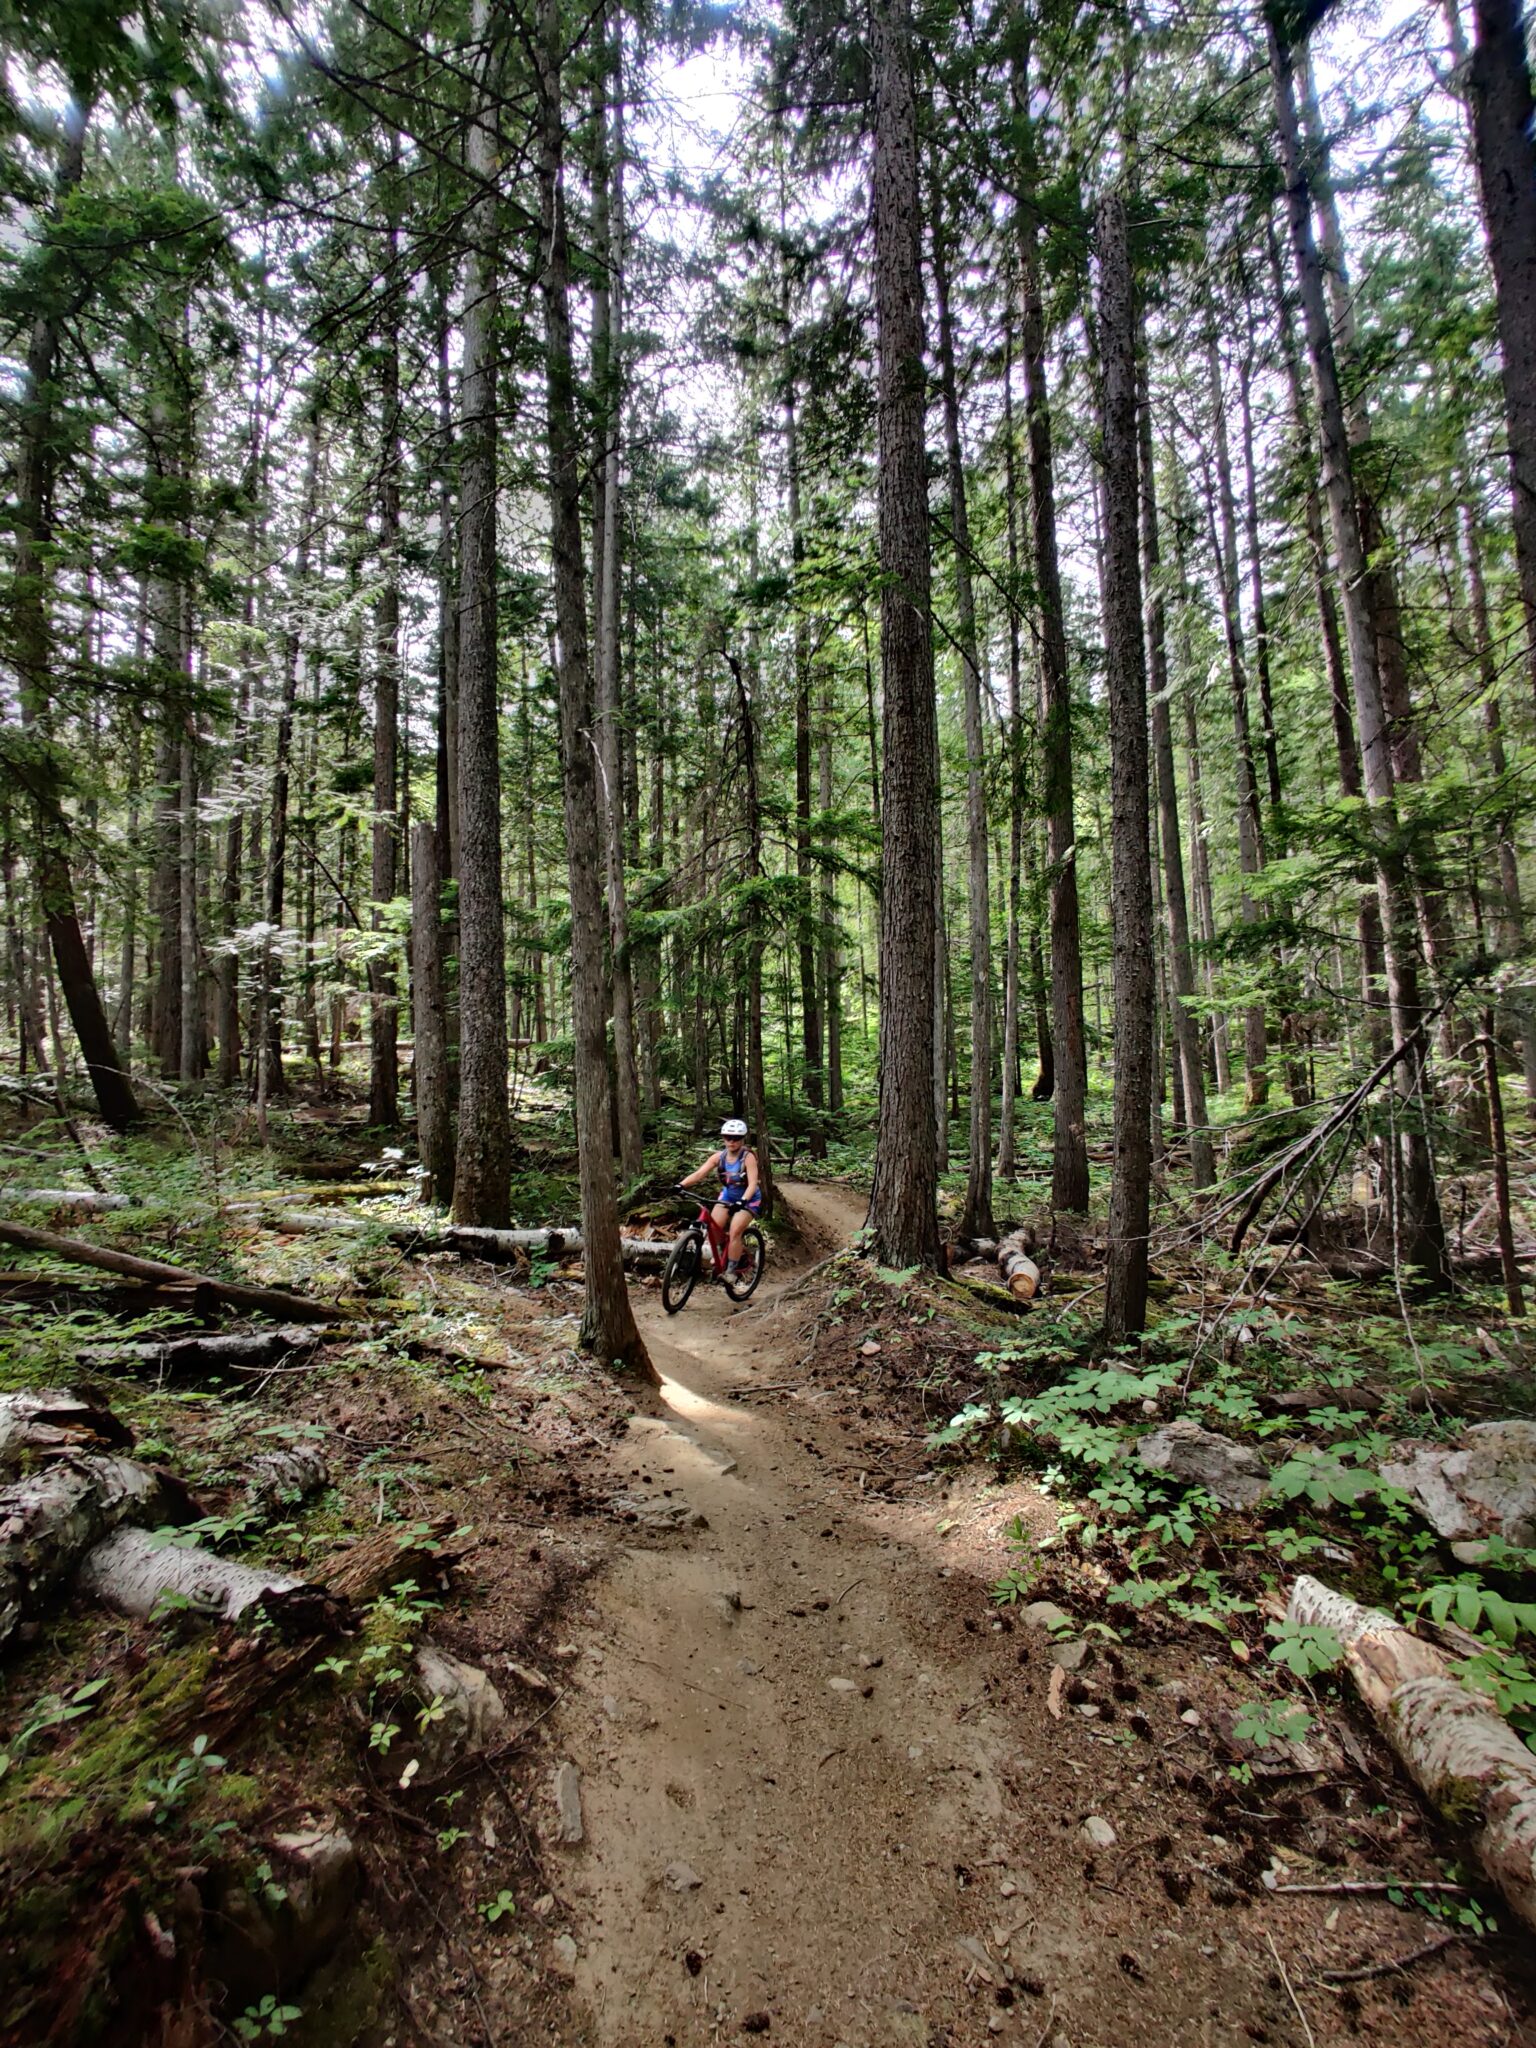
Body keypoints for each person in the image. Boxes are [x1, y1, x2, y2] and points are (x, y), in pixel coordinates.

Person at [680, 1118, 761, 1281]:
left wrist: (743, 1201)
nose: (731, 1141)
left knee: (735, 1230)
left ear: (743, 1139)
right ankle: (728, 1249)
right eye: (728, 1137)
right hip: (727, 1196)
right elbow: (699, 1174)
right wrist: (680, 1185)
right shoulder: (719, 1157)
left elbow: (753, 1184)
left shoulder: (748, 1157)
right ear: (723, 1138)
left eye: (736, 1138)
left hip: (749, 1199)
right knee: (713, 1232)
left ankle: (731, 1270)